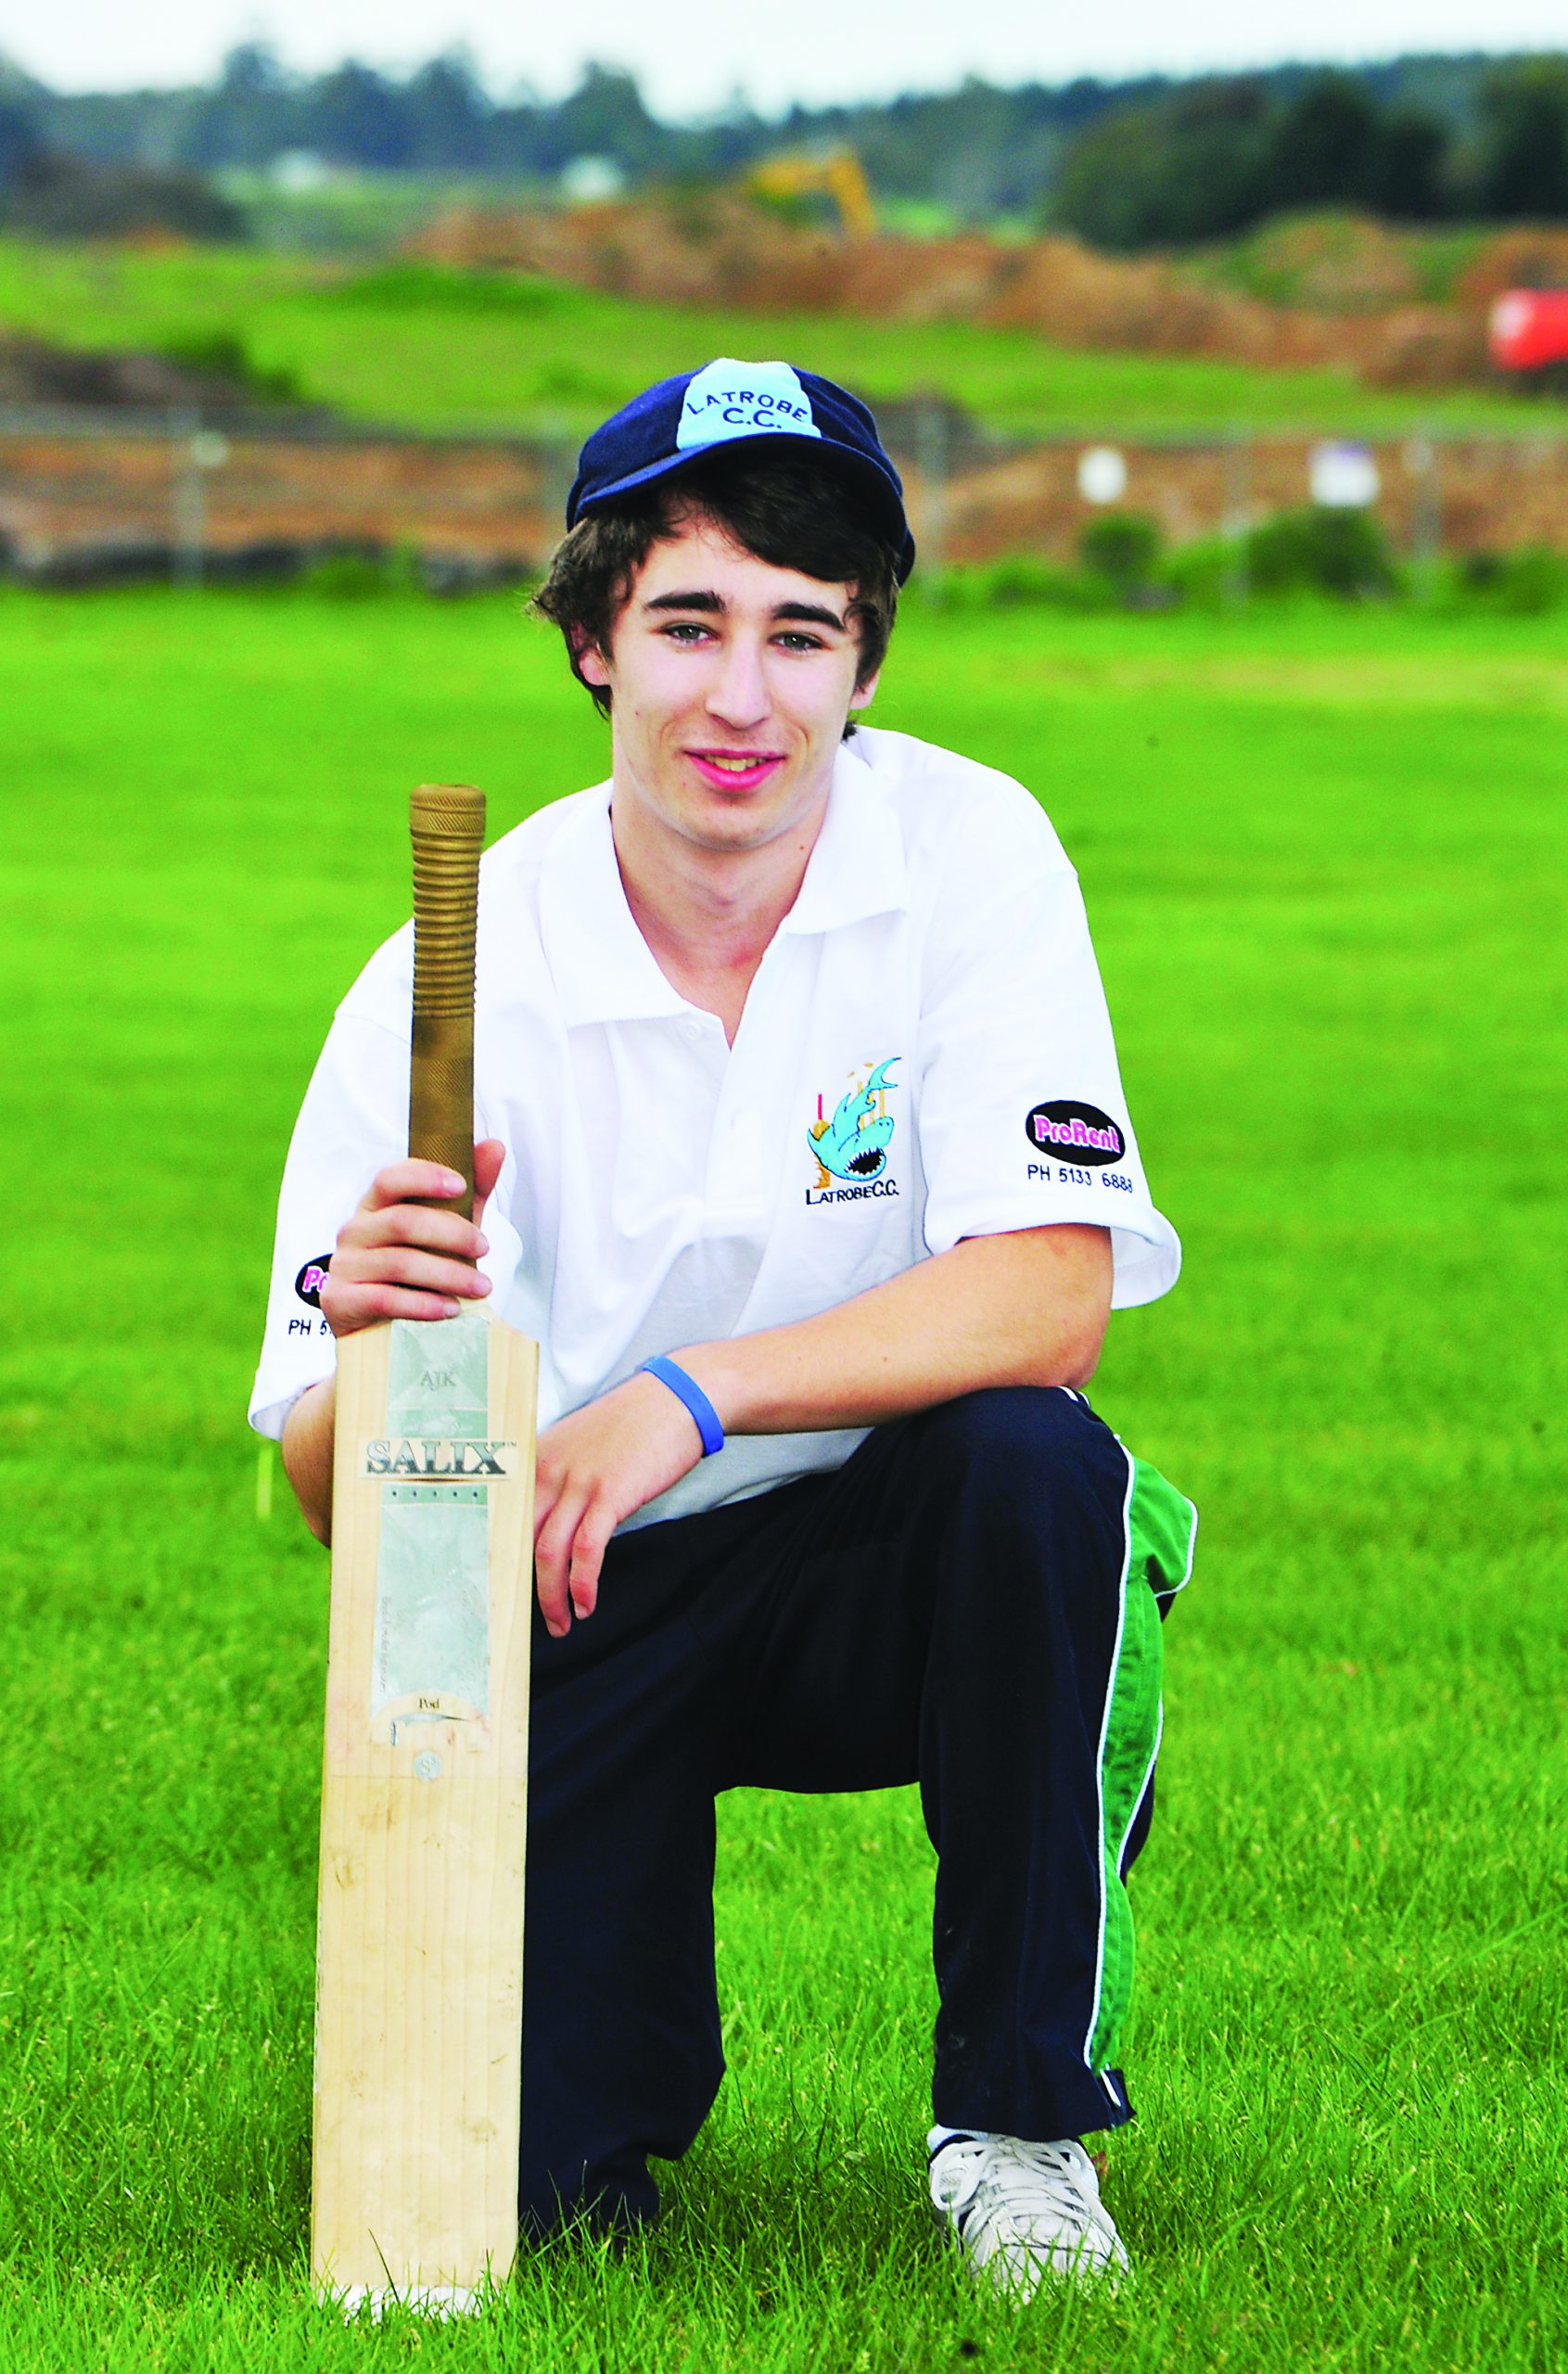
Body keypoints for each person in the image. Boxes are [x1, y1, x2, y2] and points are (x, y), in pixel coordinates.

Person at [250, 357, 1197, 2300]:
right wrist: (386, 1350)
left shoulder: (968, 855)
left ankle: (1019, 2126)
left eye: (801, 631)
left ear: (866, 661)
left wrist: (689, 1395)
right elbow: (341, 1503)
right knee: (532, 2206)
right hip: (576, 1593)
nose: (742, 698)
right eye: (688, 623)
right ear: (593, 639)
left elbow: (1056, 1290)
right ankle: (583, 2103)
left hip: (881, 1564)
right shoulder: (457, 969)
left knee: (1042, 1470)